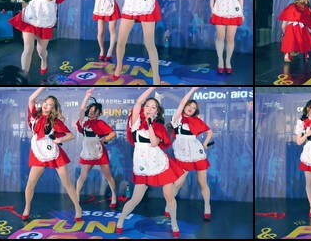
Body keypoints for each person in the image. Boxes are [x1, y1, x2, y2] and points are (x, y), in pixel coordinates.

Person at [117, 87, 184, 237]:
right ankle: (120, 221)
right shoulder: (135, 122)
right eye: (147, 105)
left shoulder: (159, 127)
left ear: (157, 112)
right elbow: (138, 102)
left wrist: (150, 125)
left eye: (153, 107)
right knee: (135, 198)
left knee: (169, 196)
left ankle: (174, 223)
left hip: (160, 164)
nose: (149, 108)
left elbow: (154, 143)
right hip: (142, 164)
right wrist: (153, 87)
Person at [22, 87, 82, 222]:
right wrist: (42, 88)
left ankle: (78, 208)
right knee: (30, 183)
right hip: (38, 152)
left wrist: (58, 140)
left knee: (67, 183)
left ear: (53, 108)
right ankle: (27, 208)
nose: (46, 105)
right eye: (45, 102)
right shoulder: (34, 116)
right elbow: (31, 99)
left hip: (53, 152)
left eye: (50, 105)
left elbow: (71, 136)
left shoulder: (55, 122)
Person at [9, 0, 71, 76]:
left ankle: (44, 59)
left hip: (46, 19)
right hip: (31, 16)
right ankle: (24, 76)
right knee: (28, 49)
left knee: (41, 51)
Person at [169, 87, 213, 221]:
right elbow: (182, 103)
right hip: (183, 154)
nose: (190, 108)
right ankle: (168, 205)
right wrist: (193, 90)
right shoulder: (177, 118)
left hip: (197, 153)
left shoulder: (197, 121)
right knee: (178, 183)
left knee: (202, 182)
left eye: (193, 108)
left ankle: (207, 206)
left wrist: (205, 144)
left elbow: (209, 131)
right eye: (189, 105)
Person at [75, 88, 118, 209]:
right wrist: (87, 96)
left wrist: (103, 139)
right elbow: (82, 109)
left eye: (95, 111)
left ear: (99, 113)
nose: (92, 112)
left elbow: (113, 134)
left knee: (108, 176)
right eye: (91, 110)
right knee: (83, 176)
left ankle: (114, 196)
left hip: (99, 152)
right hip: (87, 152)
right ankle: (76, 197)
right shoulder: (84, 121)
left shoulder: (100, 123)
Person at [210, 0, 249, 73]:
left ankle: (228, 61)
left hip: (233, 11)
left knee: (230, 38)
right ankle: (220, 60)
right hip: (220, 11)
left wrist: (241, 12)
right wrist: (212, 10)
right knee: (220, 37)